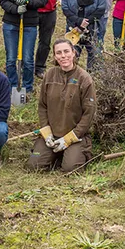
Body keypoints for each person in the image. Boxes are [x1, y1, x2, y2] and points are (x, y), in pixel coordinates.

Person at [27, 39, 97, 172]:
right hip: (52, 135)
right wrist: (46, 133)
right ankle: (54, 153)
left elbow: (89, 114)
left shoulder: (84, 79)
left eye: (66, 51)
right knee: (33, 166)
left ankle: (73, 154)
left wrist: (69, 139)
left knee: (70, 169)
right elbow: (42, 106)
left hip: (76, 136)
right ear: (54, 56)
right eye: (58, 53)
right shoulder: (49, 75)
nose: (63, 56)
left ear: (74, 53)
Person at [0, 0, 48, 93]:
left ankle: (27, 87)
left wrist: (28, 2)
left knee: (27, 59)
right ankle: (12, 86)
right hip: (10, 23)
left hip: (30, 23)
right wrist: (15, 8)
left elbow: (44, 0)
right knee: (11, 58)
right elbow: (3, 0)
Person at [61, 0, 108, 70]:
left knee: (95, 56)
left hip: (94, 28)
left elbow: (101, 8)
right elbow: (65, 7)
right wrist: (78, 21)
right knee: (71, 56)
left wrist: (87, 21)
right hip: (74, 28)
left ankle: (93, 81)